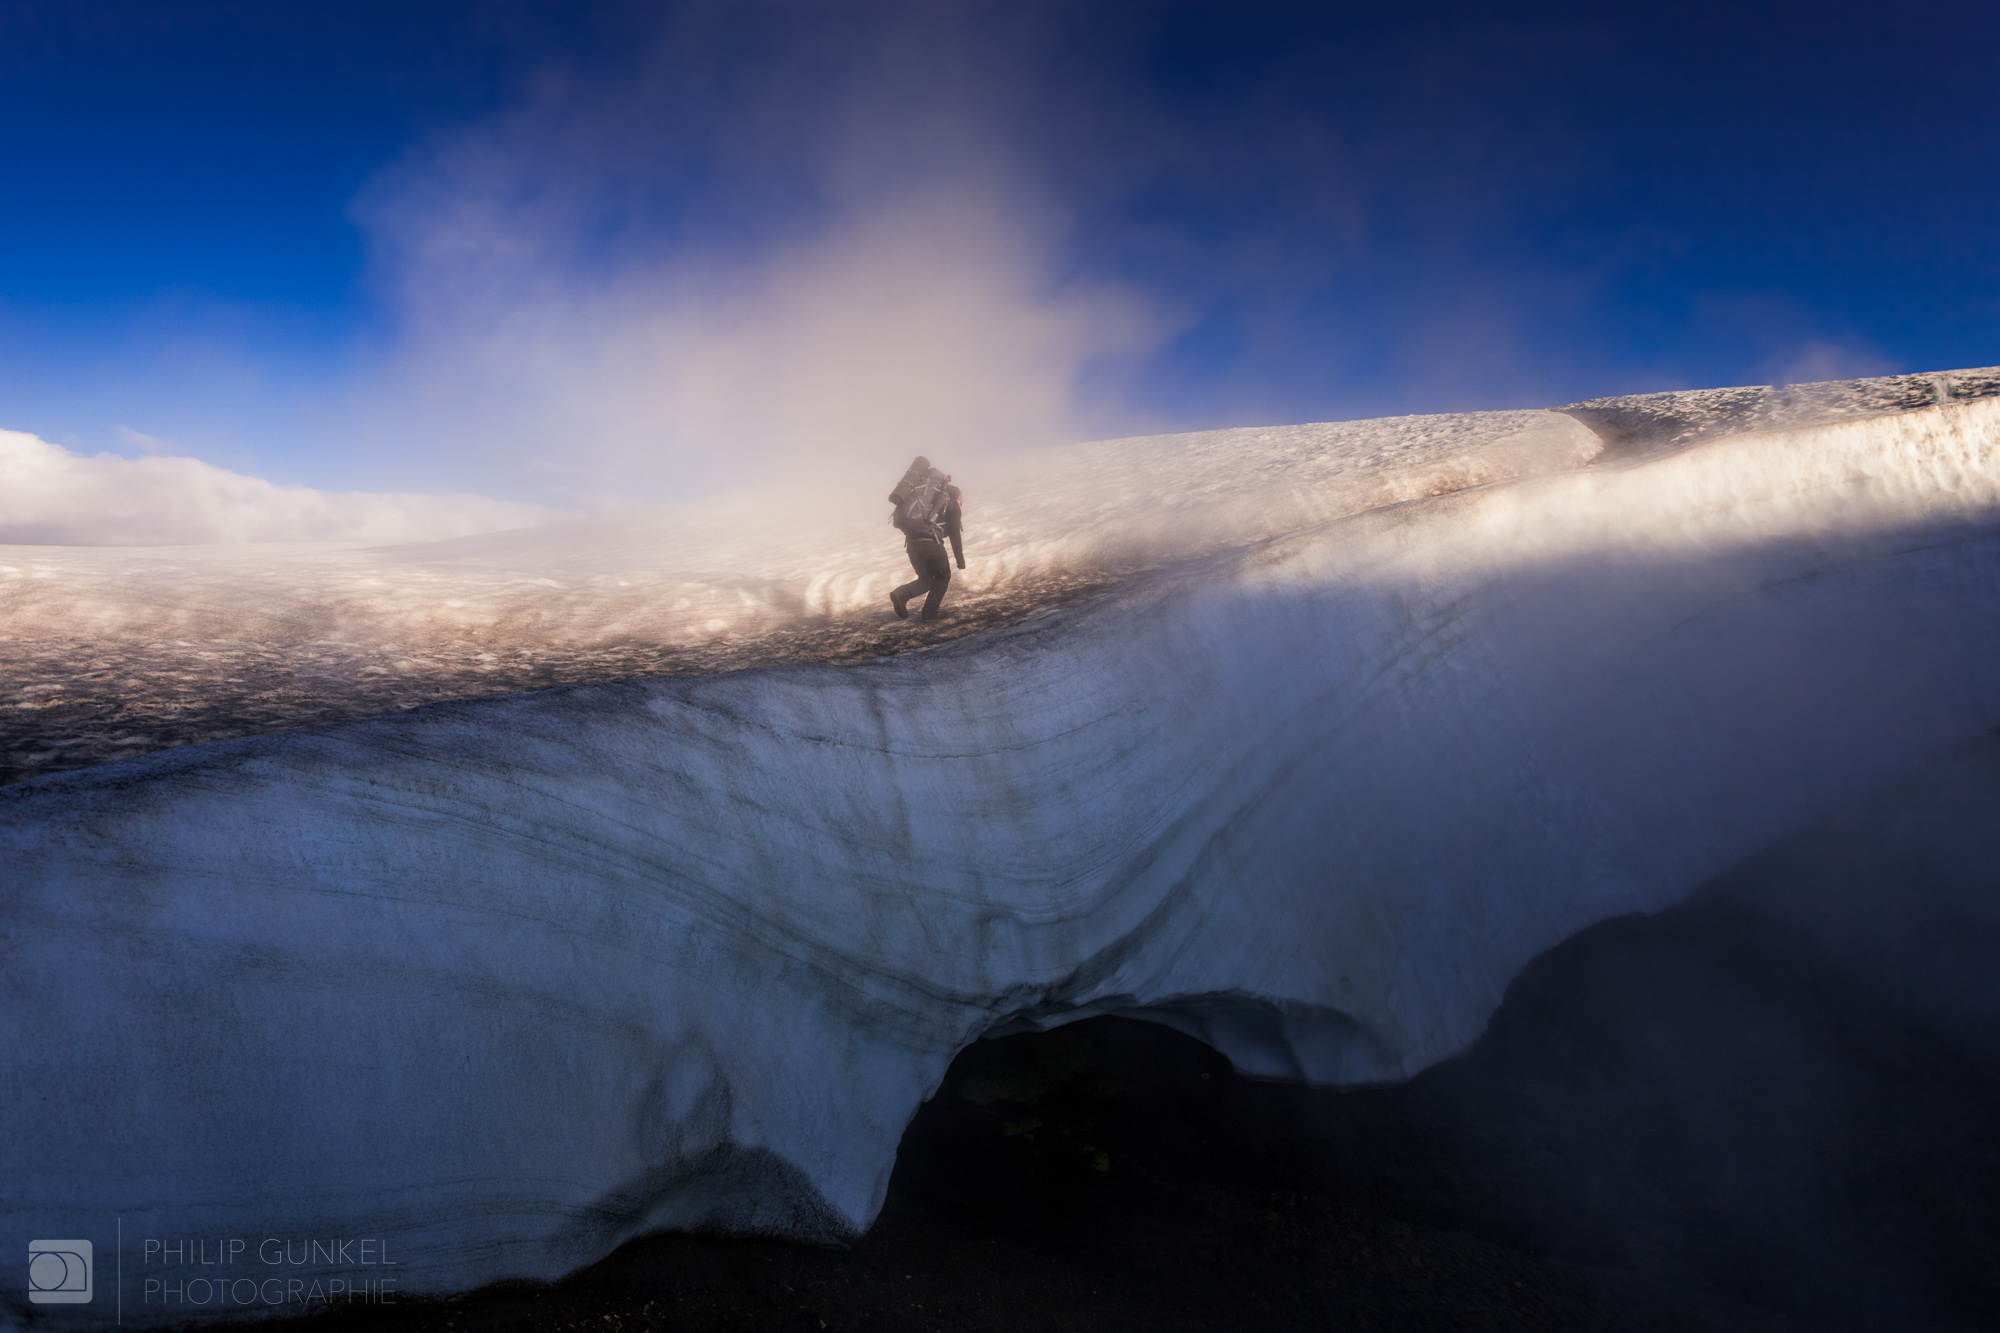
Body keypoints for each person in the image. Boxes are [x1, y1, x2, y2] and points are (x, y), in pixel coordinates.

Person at [889, 470, 964, 622]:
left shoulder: (927, 502)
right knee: (943, 577)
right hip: (931, 545)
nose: (961, 504)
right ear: (956, 497)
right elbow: (955, 536)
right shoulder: (951, 506)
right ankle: (930, 614)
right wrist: (960, 561)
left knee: (926, 579)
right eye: (961, 501)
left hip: (912, 545)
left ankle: (901, 594)